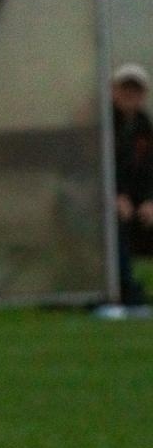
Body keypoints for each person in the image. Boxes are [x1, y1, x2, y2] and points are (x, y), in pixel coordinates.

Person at [101, 62, 153, 317]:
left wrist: (150, 200)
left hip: (136, 204)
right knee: (113, 222)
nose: (130, 94)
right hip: (104, 203)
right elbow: (90, 169)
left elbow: (148, 171)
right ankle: (125, 290)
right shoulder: (100, 125)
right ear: (113, 91)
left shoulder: (145, 128)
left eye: (136, 89)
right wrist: (113, 195)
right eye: (125, 88)